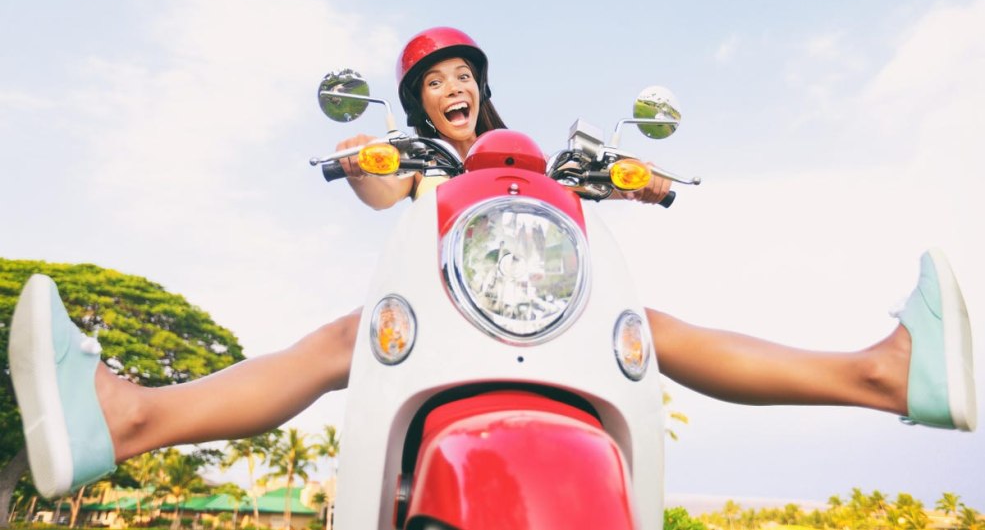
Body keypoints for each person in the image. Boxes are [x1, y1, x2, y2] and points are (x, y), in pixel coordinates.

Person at [7, 27, 977, 501]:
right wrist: (359, 162)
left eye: (461, 75)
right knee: (339, 340)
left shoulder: (530, 160)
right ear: (418, 104)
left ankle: (887, 371)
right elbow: (378, 192)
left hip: (549, 309)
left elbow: (610, 184)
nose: (451, 88)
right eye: (434, 84)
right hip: (434, 315)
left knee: (652, 332)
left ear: (480, 85)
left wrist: (637, 180)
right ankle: (127, 417)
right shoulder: (417, 161)